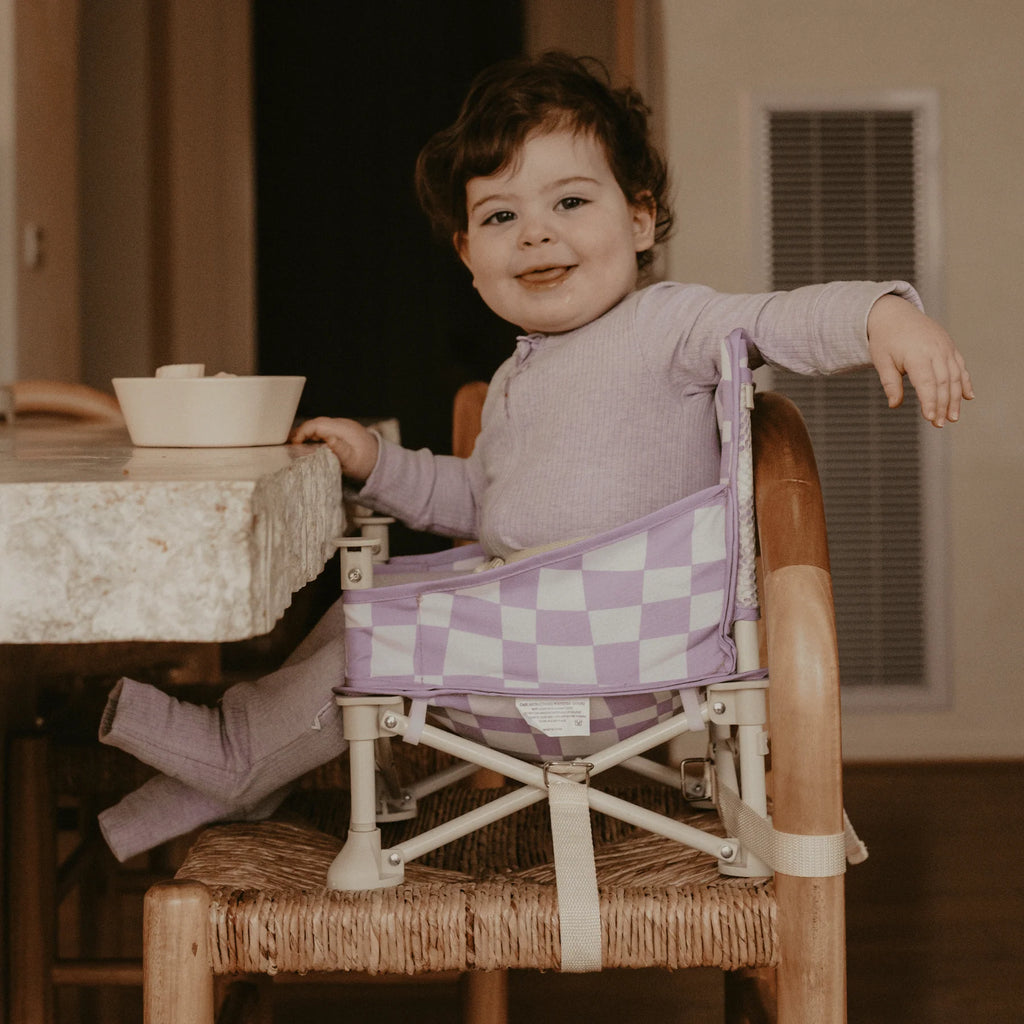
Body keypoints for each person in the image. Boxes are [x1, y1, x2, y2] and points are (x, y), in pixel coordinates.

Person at [98, 52, 972, 861]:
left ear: (639, 219)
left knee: (368, 628)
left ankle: (239, 752)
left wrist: (883, 315)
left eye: (571, 202)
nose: (536, 233)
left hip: (613, 661)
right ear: (468, 255)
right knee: (368, 604)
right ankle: (239, 775)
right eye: (500, 215)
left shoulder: (666, 327)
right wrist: (377, 461)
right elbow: (486, 500)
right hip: (540, 640)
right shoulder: (517, 378)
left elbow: (782, 319)